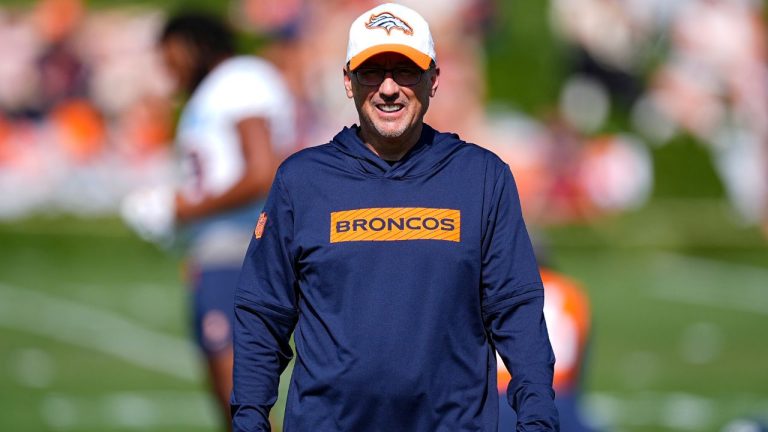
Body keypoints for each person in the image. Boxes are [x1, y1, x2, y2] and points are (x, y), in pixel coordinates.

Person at [231, 3, 558, 431]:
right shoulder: (301, 181)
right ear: (348, 82)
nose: (388, 88)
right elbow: (263, 314)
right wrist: (249, 419)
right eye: (372, 71)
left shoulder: (482, 178)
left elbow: (515, 310)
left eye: (405, 70)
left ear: (433, 80)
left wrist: (538, 419)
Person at [122, 12, 296, 429]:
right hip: (217, 250)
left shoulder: (238, 79)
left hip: (242, 247)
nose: (169, 69)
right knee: (229, 400)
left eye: (170, 56)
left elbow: (261, 172)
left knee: (240, 396)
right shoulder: (214, 92)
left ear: (189, 44)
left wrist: (178, 210)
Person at [498, 267, 596, 431]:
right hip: (556, 395)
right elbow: (581, 354)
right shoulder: (569, 290)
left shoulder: (491, 289)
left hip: (500, 394)